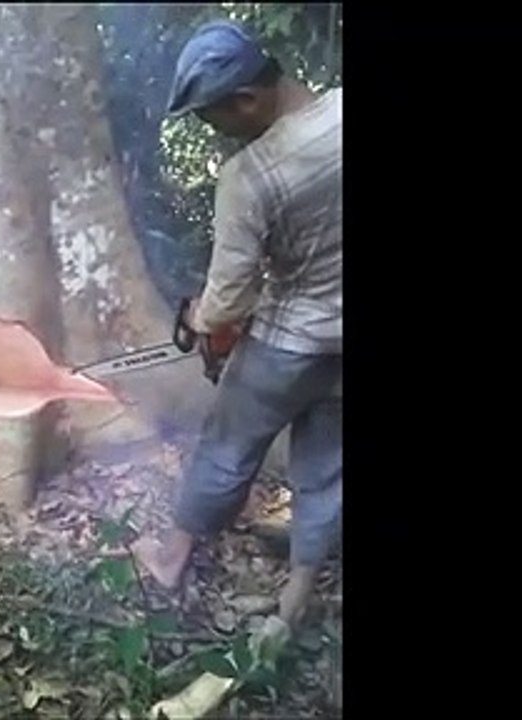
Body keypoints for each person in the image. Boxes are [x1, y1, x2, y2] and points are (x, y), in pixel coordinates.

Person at [131, 20, 342, 630]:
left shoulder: (250, 177)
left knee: (227, 449)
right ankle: (297, 594)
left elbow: (226, 302)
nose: (214, 132)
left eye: (211, 118)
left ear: (246, 99)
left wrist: (200, 316)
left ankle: (171, 558)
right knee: (327, 463)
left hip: (288, 345)